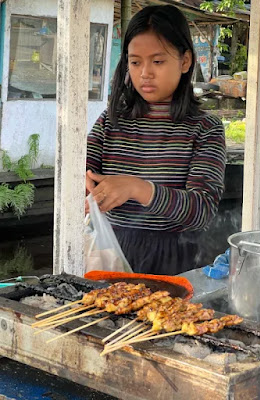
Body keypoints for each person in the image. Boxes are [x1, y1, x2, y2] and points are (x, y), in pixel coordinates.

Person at [86, 5, 226, 276]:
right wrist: (82, 184)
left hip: (174, 260)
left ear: (185, 61)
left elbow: (202, 209)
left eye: (158, 61)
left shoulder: (205, 129)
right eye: (135, 62)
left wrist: (139, 189)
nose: (144, 73)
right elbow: (82, 173)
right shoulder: (110, 121)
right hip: (109, 252)